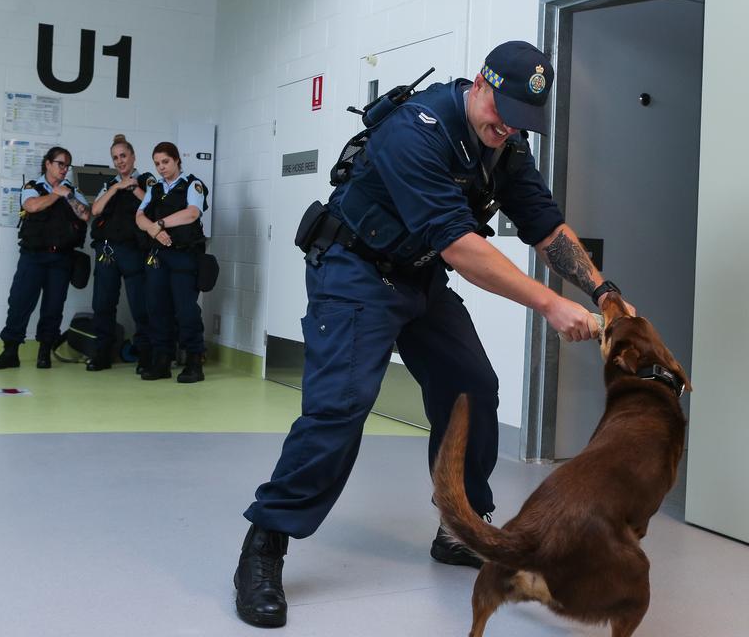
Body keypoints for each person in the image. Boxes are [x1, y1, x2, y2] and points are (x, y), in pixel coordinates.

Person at [233, 40, 635, 628]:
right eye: (502, 113)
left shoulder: (506, 146)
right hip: (354, 272)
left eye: (522, 123)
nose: (507, 129)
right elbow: (461, 247)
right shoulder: (415, 131)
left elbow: (545, 226)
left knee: (472, 385)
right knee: (340, 406)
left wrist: (602, 291)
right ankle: (264, 544)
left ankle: (459, 526)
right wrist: (551, 304)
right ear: (480, 83)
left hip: (417, 275)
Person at [0, 146, 89, 370]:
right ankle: (10, 352)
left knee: (53, 307)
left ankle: (44, 353)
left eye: (67, 165)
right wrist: (56, 194)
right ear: (48, 164)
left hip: (61, 259)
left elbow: (85, 214)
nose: (64, 169)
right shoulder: (32, 187)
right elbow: (31, 206)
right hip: (33, 257)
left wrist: (68, 195)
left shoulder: (71, 190)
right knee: (20, 303)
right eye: (60, 163)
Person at [135, 141, 209, 383]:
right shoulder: (155, 189)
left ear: (177, 160)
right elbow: (139, 217)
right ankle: (162, 360)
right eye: (157, 163)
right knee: (157, 309)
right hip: (158, 256)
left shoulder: (192, 184)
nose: (161, 167)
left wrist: (160, 224)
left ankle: (194, 361)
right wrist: (154, 231)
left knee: (186, 310)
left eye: (165, 162)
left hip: (184, 255)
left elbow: (192, 213)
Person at [85, 134, 155, 372]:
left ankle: (146, 355)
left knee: (140, 305)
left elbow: (153, 208)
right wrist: (116, 187)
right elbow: (96, 209)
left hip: (133, 251)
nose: (120, 161)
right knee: (102, 304)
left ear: (133, 156)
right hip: (108, 251)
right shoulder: (110, 184)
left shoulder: (146, 180)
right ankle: (102, 354)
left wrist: (132, 187)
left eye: (123, 156)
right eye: (115, 158)